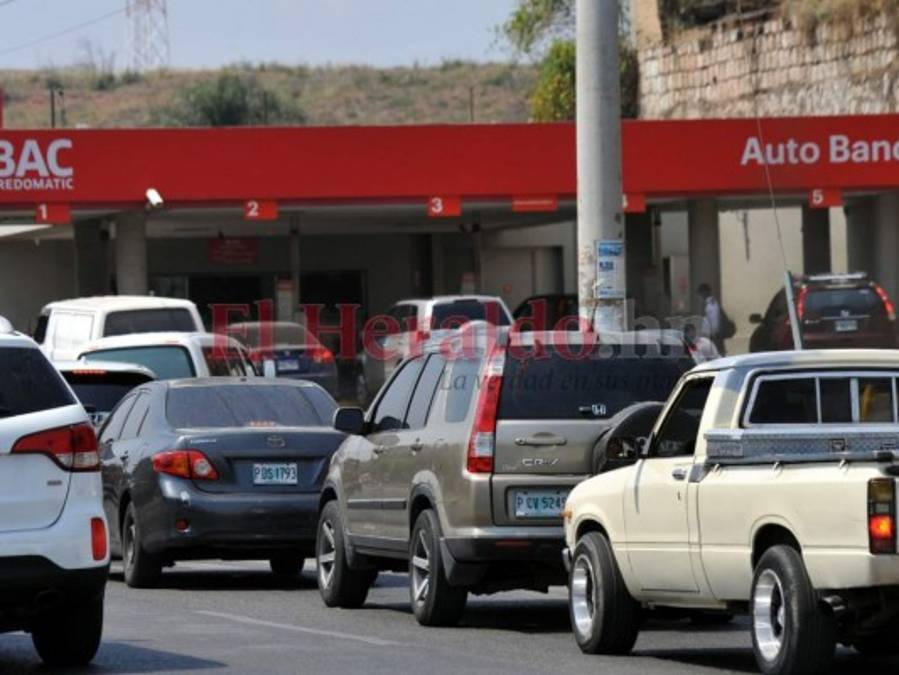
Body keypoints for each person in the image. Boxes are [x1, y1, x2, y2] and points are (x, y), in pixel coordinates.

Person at [698, 283, 727, 356]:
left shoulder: (711, 305)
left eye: (700, 294)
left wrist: (707, 336)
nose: (699, 297)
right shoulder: (709, 304)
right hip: (712, 339)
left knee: (716, 358)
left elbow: (714, 325)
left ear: (704, 293)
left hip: (713, 339)